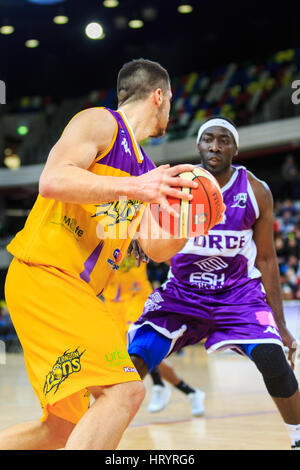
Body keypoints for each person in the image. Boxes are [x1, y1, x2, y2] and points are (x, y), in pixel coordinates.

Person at [1, 58, 198, 450]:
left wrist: (190, 226)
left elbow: (154, 249)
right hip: (47, 275)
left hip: (75, 293)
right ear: (159, 96)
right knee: (126, 392)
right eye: (171, 101)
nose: (172, 111)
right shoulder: (100, 123)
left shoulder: (145, 169)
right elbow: (53, 179)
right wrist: (137, 188)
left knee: (60, 430)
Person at [127, 116, 300, 450]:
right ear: (198, 145)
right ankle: (94, 433)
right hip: (182, 294)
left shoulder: (255, 190)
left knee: (273, 358)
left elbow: (266, 259)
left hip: (238, 295)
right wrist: (138, 230)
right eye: (208, 140)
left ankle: (297, 437)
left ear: (235, 147)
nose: (215, 146)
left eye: (223, 140)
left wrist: (280, 324)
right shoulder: (177, 183)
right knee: (134, 358)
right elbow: (140, 213)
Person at [103, 244, 205, 416]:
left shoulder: (134, 227)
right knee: (128, 357)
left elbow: (165, 254)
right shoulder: (98, 234)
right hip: (112, 302)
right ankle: (190, 392)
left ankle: (158, 384)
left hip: (137, 297)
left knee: (139, 349)